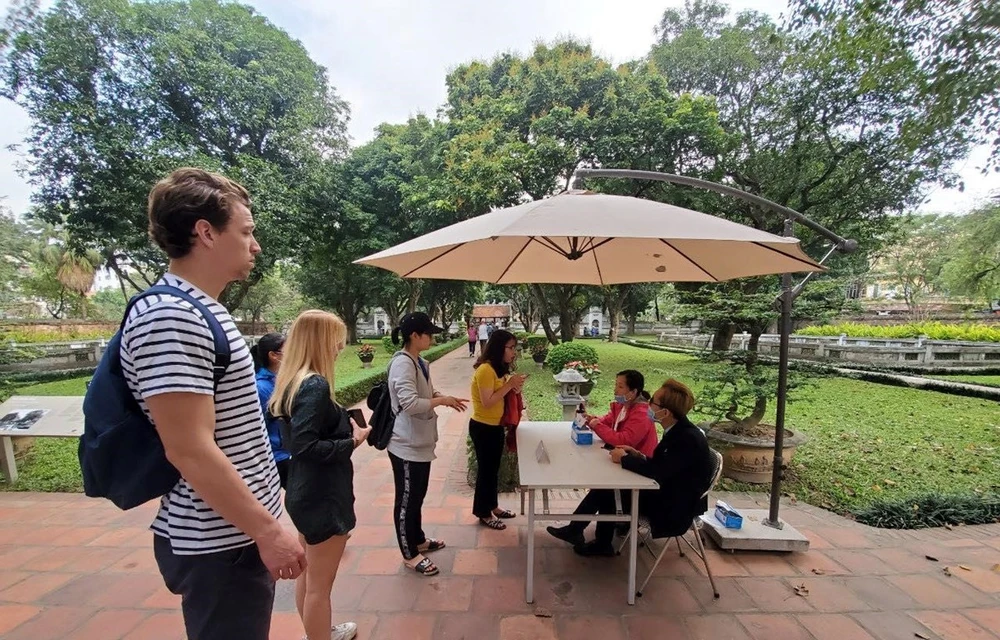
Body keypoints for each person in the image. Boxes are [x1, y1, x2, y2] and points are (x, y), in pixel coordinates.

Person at [120, 168, 303, 640]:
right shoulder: (170, 316)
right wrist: (267, 530)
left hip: (234, 536)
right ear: (205, 232)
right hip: (219, 543)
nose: (255, 245)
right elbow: (190, 449)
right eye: (245, 232)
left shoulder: (199, 307)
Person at [269, 310, 369, 640]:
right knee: (319, 589)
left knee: (309, 577)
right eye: (336, 339)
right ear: (320, 341)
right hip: (323, 496)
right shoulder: (314, 384)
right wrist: (351, 441)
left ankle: (319, 632)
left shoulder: (291, 381)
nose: (341, 346)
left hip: (304, 491)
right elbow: (307, 446)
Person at [573, 379, 713, 557]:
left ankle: (592, 538)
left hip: (673, 506)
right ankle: (578, 530)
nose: (648, 405)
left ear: (665, 412)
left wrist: (624, 459)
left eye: (653, 402)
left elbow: (658, 472)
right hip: (668, 490)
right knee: (610, 487)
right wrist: (639, 455)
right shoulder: (678, 429)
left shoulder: (687, 438)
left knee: (609, 490)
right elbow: (666, 465)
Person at [387, 312, 468, 576]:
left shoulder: (419, 361)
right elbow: (409, 404)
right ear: (414, 335)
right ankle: (409, 554)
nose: (432, 337)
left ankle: (418, 539)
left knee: (417, 496)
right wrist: (441, 402)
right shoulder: (402, 364)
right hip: (406, 444)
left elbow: (425, 392)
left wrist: (442, 396)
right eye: (428, 333)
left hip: (420, 441)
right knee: (407, 499)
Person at [546, 370, 657, 546]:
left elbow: (623, 440)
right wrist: (592, 420)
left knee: (604, 489)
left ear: (633, 392)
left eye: (620, 386)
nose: (615, 389)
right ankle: (593, 537)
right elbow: (607, 420)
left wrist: (597, 426)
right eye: (616, 384)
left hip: (640, 474)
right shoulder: (623, 406)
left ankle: (588, 536)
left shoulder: (642, 414)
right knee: (604, 488)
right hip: (625, 463)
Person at [469, 329, 528, 530]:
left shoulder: (499, 369)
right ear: (498, 348)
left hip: (495, 427)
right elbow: (487, 402)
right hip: (483, 427)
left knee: (492, 470)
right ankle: (483, 512)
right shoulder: (485, 370)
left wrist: (514, 387)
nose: (514, 352)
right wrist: (509, 384)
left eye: (515, 348)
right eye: (511, 348)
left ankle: (492, 505)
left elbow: (502, 396)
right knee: (486, 472)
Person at [251, 332, 291, 488]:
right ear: (274, 356)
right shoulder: (260, 387)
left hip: (287, 452)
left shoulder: (279, 380)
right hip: (276, 456)